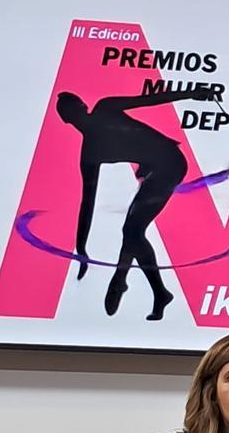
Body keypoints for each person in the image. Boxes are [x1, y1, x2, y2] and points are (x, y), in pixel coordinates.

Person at [54, 87, 212, 321]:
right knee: (132, 231)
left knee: (132, 230)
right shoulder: (90, 154)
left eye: (76, 108)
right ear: (67, 120)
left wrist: (190, 93)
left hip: (171, 163)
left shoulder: (106, 108)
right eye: (71, 113)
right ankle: (138, 286)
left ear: (82, 107)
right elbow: (86, 205)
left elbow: (150, 99)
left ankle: (138, 285)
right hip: (155, 170)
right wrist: (81, 248)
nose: (78, 115)